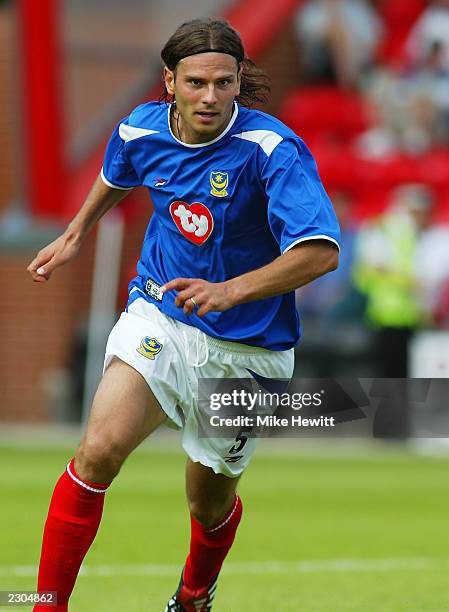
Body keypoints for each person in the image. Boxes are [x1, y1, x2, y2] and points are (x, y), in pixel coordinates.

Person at [27, 18, 340, 612]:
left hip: (252, 348)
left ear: (239, 80)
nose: (211, 97)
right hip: (161, 315)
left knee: (208, 502)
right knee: (98, 450)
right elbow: (117, 171)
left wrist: (231, 291)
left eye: (225, 83)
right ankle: (46, 605)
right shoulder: (141, 127)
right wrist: (74, 234)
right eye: (197, 83)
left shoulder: (271, 150)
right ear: (169, 81)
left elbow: (321, 251)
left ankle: (195, 594)